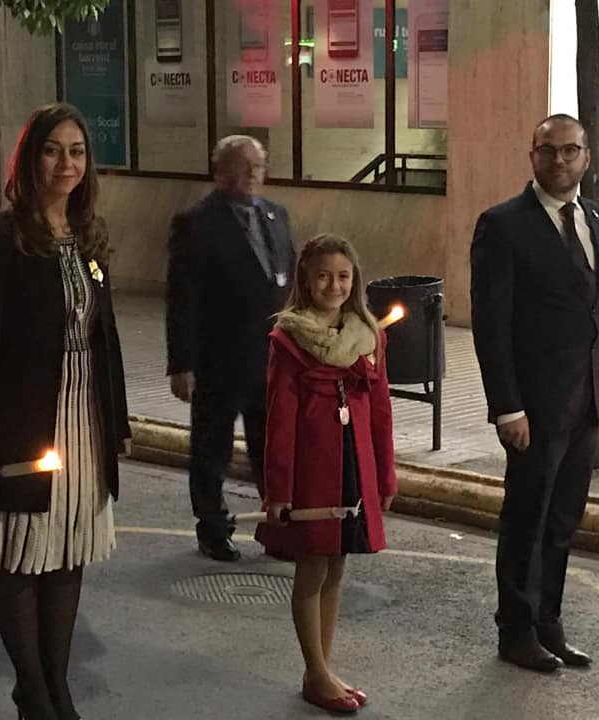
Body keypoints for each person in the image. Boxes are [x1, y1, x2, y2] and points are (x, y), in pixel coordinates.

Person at [470, 113, 599, 673]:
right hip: (533, 406)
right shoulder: (502, 225)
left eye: (570, 151)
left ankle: (549, 622)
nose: (560, 161)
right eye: (548, 151)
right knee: (526, 519)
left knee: (562, 522)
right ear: (532, 155)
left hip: (589, 404)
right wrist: (507, 406)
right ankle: (516, 630)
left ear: (587, 157)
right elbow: (490, 325)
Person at [0, 103, 130, 720]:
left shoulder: (87, 236)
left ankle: (57, 689)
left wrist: (120, 420)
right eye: (54, 150)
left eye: (78, 151)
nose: (67, 163)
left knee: (67, 553)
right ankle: (31, 691)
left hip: (86, 417)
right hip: (27, 419)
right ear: (29, 158)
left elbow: (106, 335)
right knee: (23, 553)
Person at [257, 234, 397, 714]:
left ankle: (323, 668)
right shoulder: (289, 339)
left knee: (338, 563)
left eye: (343, 276)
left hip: (354, 461)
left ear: (354, 280)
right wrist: (278, 488)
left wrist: (385, 477)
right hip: (312, 469)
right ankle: (315, 673)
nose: (333, 285)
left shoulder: (368, 334)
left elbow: (380, 412)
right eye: (323, 276)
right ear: (305, 280)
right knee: (312, 567)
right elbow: (278, 419)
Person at [166, 135, 296, 562]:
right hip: (218, 359)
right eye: (242, 167)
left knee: (270, 448)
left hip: (270, 360)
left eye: (258, 166)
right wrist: (182, 364)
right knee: (211, 450)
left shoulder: (277, 216)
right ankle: (212, 527)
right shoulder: (197, 223)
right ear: (220, 172)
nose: (252, 175)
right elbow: (182, 298)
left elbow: (291, 283)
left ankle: (276, 525)